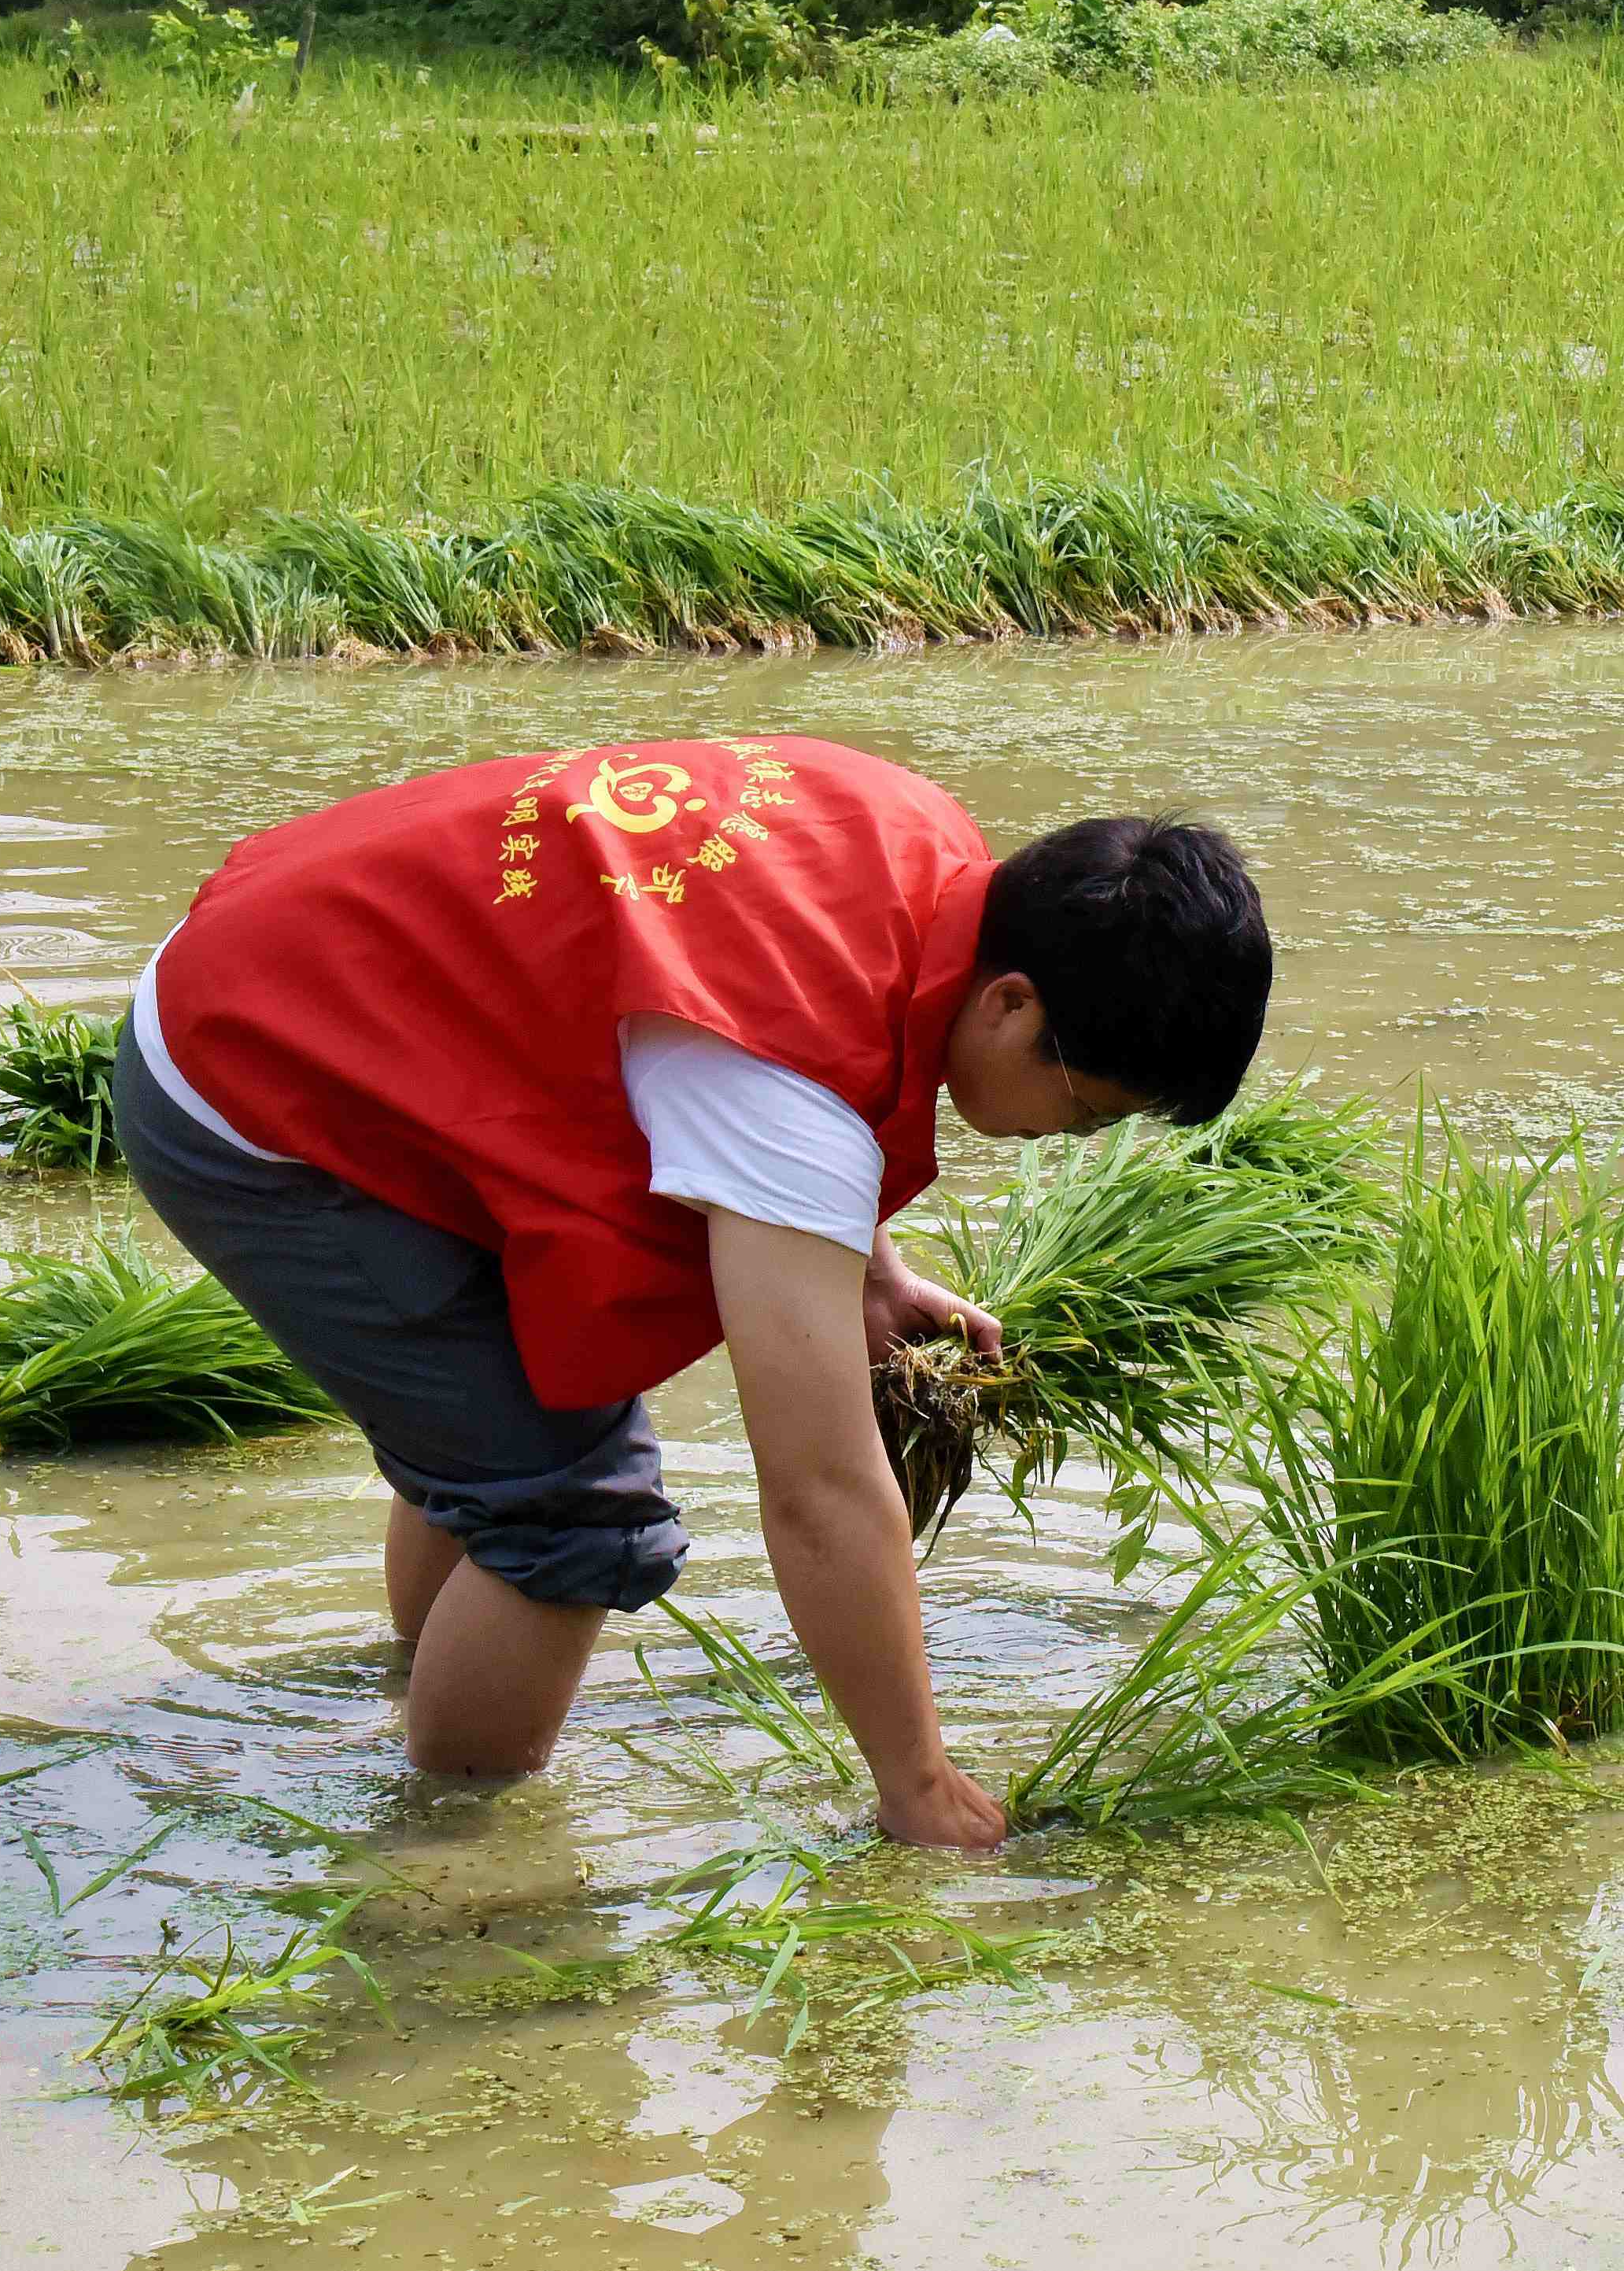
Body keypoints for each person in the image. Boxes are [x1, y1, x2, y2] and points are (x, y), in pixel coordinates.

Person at [119, 737, 1272, 1848]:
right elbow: (821, 1491)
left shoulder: (916, 835)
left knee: (509, 1420)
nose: (1065, 1142)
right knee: (575, 1514)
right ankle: (453, 1860)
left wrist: (869, 1267)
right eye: (1087, 1109)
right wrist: (916, 1783)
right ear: (1012, 1004)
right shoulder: (787, 1086)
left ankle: (430, 1686)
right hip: (257, 1090)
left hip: (319, 971)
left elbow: (769, 1021)